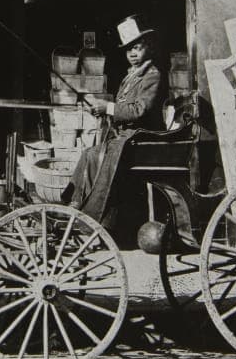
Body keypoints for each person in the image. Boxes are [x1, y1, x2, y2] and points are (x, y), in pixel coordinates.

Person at [62, 14, 169, 222]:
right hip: (127, 137)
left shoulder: (152, 75)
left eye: (137, 48)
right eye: (129, 49)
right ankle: (74, 202)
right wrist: (102, 110)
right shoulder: (131, 75)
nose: (132, 53)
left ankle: (93, 217)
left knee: (97, 156)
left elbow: (139, 110)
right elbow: (121, 106)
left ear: (150, 48)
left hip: (143, 139)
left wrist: (108, 107)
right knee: (88, 153)